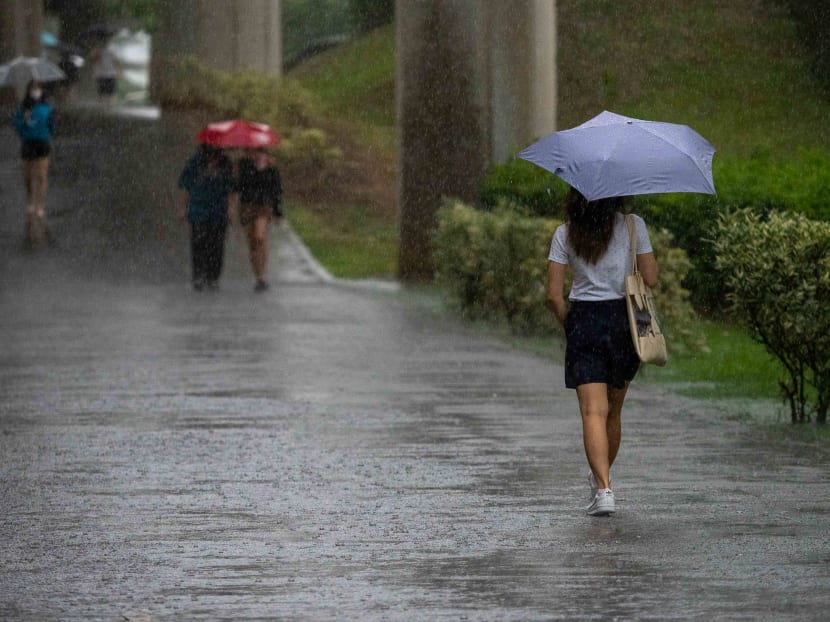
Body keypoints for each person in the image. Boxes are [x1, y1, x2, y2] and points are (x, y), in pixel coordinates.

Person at [546, 188, 658, 517]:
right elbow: (650, 278)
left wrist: (570, 323)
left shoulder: (565, 232)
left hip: (584, 320)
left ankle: (603, 489)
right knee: (613, 410)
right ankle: (602, 478)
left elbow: (553, 295)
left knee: (592, 411)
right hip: (625, 322)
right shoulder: (634, 225)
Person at [177, 144, 236, 291]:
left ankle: (213, 276)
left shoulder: (226, 163)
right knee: (198, 242)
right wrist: (183, 208)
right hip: (198, 208)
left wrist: (230, 208)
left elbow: (230, 188)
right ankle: (198, 275)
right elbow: (186, 185)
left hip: (218, 210)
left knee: (217, 244)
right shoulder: (195, 162)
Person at [13, 80, 55, 249]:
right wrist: (24, 121)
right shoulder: (23, 108)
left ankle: (40, 205)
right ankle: (30, 201)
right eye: (33, 88)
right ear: (29, 90)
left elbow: (52, 126)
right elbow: (17, 125)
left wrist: (44, 132)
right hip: (28, 144)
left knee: (42, 175)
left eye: (38, 88)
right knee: (28, 176)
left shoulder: (47, 108)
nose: (36, 91)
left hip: (43, 144)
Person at [235, 147, 283, 292]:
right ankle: (259, 277)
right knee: (252, 243)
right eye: (252, 151)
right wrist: (237, 174)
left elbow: (276, 190)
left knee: (260, 237)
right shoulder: (243, 165)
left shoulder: (271, 168)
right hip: (248, 206)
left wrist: (277, 211)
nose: (255, 154)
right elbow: (238, 188)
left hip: (264, 206)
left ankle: (262, 275)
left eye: (259, 152)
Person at [90, 41, 120, 105]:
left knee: (105, 94)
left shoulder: (110, 48)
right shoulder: (112, 48)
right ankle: (106, 109)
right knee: (106, 94)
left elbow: (94, 61)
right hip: (105, 74)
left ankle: (104, 109)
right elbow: (116, 61)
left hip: (105, 74)